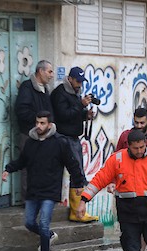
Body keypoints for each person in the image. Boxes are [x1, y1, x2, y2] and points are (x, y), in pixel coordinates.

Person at [78, 129, 147, 251]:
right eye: (135, 148)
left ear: (146, 143)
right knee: (131, 247)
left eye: (142, 147)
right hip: (128, 211)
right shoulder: (117, 160)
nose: (139, 151)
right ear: (128, 146)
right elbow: (99, 180)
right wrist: (83, 200)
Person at [2, 111, 85, 251]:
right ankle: (50, 236)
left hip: (51, 190)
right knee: (29, 222)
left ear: (49, 124)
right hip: (33, 190)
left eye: (42, 123)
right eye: (37, 123)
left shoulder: (60, 142)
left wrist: (79, 183)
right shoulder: (30, 142)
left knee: (44, 223)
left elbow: (72, 164)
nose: (39, 126)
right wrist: (8, 169)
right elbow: (22, 161)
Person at [50, 66, 98, 222]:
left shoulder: (75, 93)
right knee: (75, 172)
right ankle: (77, 212)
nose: (80, 84)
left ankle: (77, 210)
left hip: (74, 137)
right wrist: (81, 105)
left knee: (78, 173)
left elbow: (74, 114)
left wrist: (86, 115)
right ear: (70, 79)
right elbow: (63, 115)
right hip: (63, 137)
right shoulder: (60, 93)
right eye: (77, 81)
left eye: (81, 81)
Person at [14, 60, 54, 199]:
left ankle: (41, 197)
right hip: (29, 134)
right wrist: (39, 122)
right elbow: (22, 110)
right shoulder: (27, 87)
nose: (51, 75)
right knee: (28, 166)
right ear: (40, 71)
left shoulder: (45, 89)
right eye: (49, 71)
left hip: (44, 136)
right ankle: (29, 199)